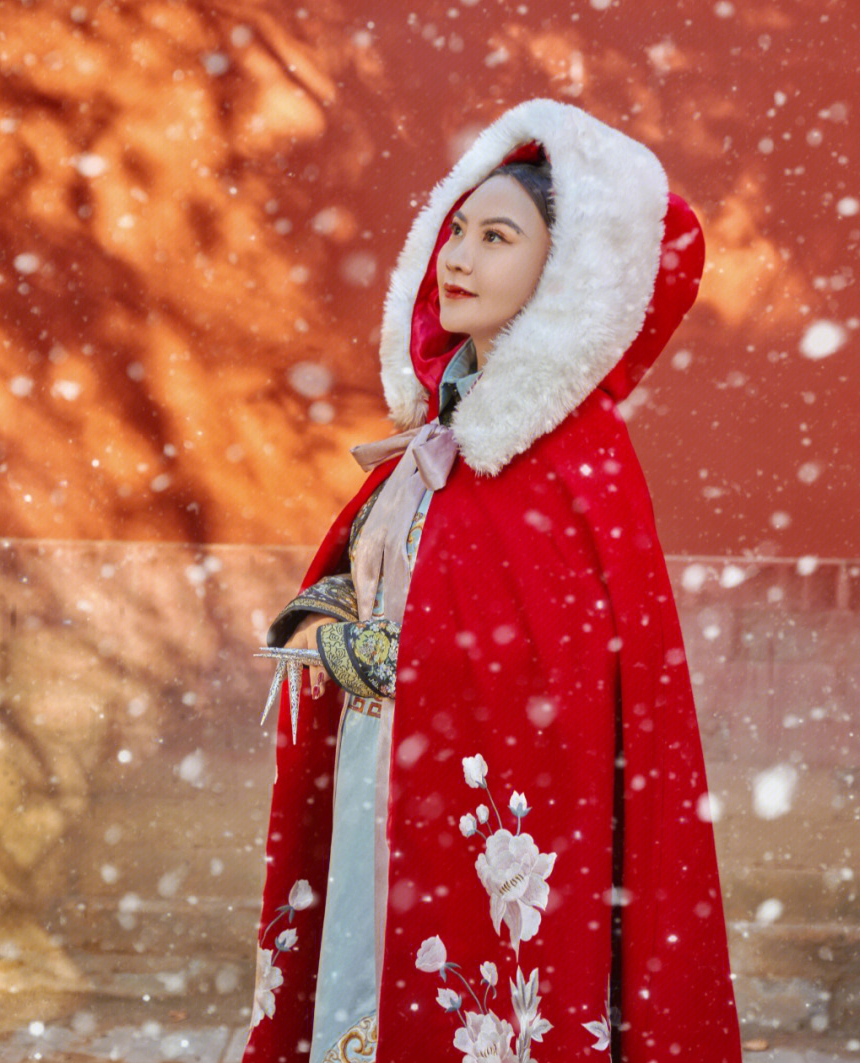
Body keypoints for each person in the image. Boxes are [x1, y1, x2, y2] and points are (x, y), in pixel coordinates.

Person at [243, 99, 741, 1063]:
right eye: (456, 229)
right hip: (377, 790)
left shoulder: (573, 455)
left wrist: (393, 661)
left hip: (480, 818)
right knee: (361, 983)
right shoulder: (442, 435)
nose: (458, 256)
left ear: (563, 272)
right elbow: (383, 577)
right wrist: (332, 622)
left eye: (498, 236)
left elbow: (552, 684)